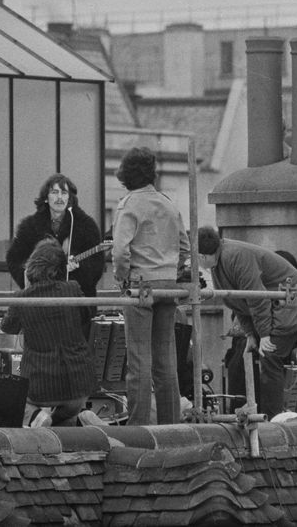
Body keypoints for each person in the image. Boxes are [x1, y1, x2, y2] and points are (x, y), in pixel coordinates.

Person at [197, 226, 297, 419]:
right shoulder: (219, 261)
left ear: (202, 256)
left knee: (270, 354)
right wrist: (251, 334)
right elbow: (236, 301)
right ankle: (254, 410)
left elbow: (256, 298)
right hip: (272, 306)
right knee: (246, 354)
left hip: (290, 300)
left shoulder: (236, 256)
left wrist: (265, 334)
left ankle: (273, 417)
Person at [110, 147, 190, 425]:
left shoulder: (129, 205)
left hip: (140, 286)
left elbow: (120, 251)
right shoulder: (168, 204)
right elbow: (184, 246)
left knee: (139, 360)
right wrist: (173, 271)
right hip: (169, 285)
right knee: (166, 360)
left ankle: (139, 426)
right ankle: (171, 425)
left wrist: (122, 277)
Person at [0, 239, 98, 426]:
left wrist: (26, 287)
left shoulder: (23, 298)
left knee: (16, 404)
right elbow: (87, 316)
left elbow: (7, 327)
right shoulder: (73, 288)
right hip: (79, 385)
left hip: (41, 387)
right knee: (67, 416)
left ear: (31, 267)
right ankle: (80, 417)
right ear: (61, 268)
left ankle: (37, 416)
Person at [5, 173, 105, 334]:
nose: (60, 198)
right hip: (40, 305)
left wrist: (79, 269)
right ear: (46, 197)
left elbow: (97, 265)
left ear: (70, 198)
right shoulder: (29, 226)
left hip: (76, 308)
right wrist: (31, 282)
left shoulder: (87, 226)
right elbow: (14, 259)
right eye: (55, 192)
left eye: (64, 193)